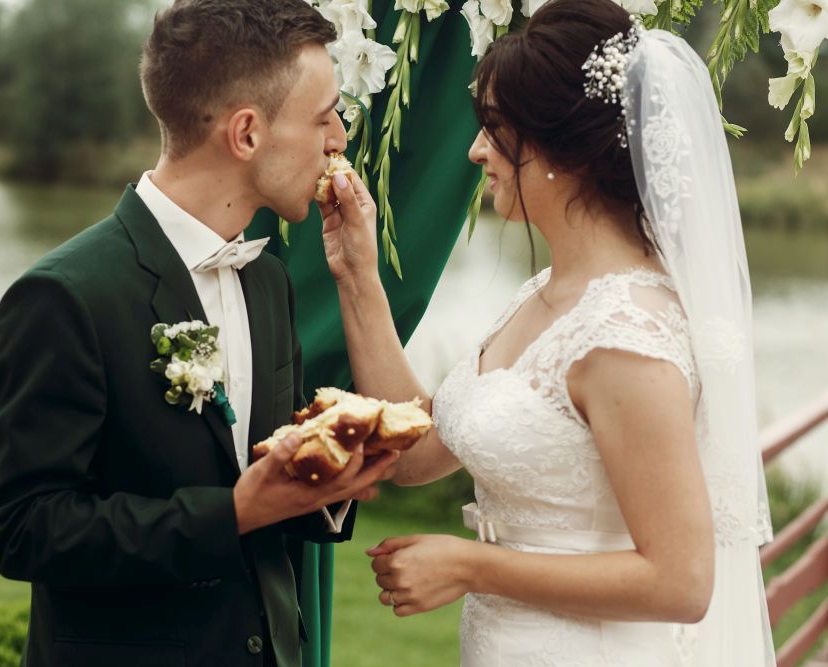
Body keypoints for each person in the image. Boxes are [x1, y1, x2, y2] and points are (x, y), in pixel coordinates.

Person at [318, 0, 776, 663]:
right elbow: (416, 455)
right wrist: (358, 272)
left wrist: (473, 566)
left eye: (497, 129)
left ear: (569, 148)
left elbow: (681, 580)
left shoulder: (626, 336)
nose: (476, 151)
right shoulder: (544, 297)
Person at [0, 1, 398, 665]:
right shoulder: (63, 296)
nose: (339, 137)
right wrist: (230, 511)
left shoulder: (268, 282)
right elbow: (24, 528)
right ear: (247, 132)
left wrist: (320, 489)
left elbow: (262, 489)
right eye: (324, 116)